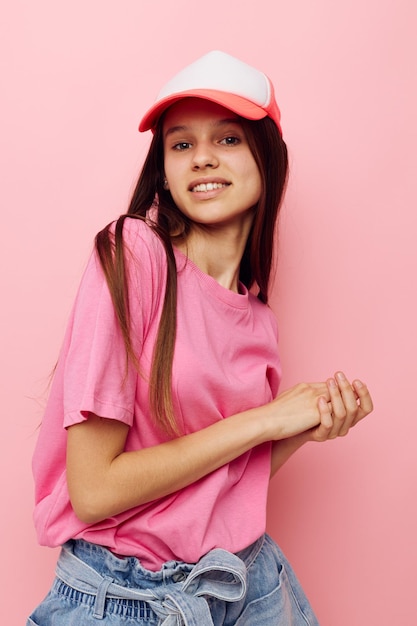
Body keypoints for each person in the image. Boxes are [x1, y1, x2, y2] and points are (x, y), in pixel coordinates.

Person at [27, 50, 373, 626]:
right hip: (126, 599)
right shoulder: (133, 255)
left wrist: (304, 425)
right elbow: (93, 491)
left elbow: (221, 488)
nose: (202, 158)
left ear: (268, 159)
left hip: (246, 581)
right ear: (162, 167)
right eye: (181, 144)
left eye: (229, 139)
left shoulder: (259, 318)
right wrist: (266, 418)